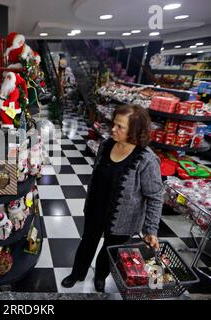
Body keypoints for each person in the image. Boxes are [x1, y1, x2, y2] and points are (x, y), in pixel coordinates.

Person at [61, 104, 164, 292]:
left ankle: (100, 276)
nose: (113, 129)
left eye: (120, 127)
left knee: (110, 249)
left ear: (135, 130)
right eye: (114, 124)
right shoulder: (106, 145)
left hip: (123, 218)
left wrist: (151, 229)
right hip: (96, 209)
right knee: (87, 242)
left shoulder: (146, 160)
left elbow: (155, 196)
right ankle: (78, 273)